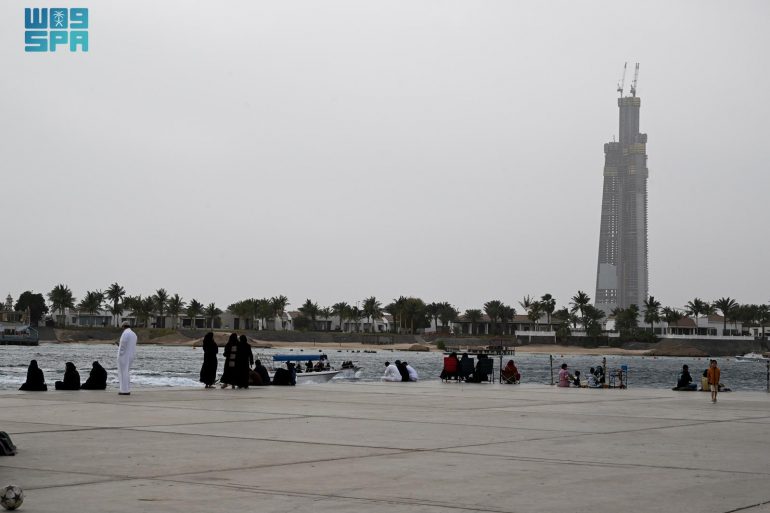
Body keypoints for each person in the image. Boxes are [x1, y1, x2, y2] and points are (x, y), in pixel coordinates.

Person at [117, 321, 137, 395]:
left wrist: (120, 354)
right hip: (131, 355)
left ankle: (124, 390)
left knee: (122, 372)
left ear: (123, 326)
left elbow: (123, 345)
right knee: (126, 372)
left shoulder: (125, 333)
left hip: (124, 356)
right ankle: (127, 388)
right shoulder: (134, 334)